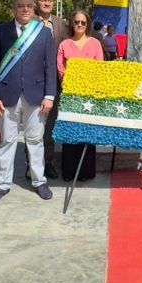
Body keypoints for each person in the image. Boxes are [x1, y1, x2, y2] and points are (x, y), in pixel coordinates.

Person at [0, 0, 57, 204]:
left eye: (28, 6)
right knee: (7, 140)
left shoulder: (43, 33)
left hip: (36, 96)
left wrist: (49, 95)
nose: (25, 10)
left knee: (35, 140)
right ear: (13, 8)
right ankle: (2, 184)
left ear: (34, 9)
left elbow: (50, 66)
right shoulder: (1, 31)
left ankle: (39, 181)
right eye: (20, 6)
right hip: (6, 95)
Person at [57, 10, 104, 181]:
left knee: (87, 133)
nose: (79, 25)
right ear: (72, 23)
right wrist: (71, 84)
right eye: (77, 22)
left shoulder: (95, 44)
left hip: (89, 96)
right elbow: (61, 69)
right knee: (70, 131)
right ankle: (68, 171)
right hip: (70, 95)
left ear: (88, 24)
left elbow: (100, 68)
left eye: (83, 22)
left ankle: (86, 172)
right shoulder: (64, 44)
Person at [35, 0, 68, 180]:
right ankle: (31, 164)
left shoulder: (60, 23)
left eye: (49, 0)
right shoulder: (29, 22)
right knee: (33, 126)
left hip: (54, 83)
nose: (47, 3)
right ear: (36, 3)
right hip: (33, 82)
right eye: (43, 1)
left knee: (49, 126)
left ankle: (47, 162)